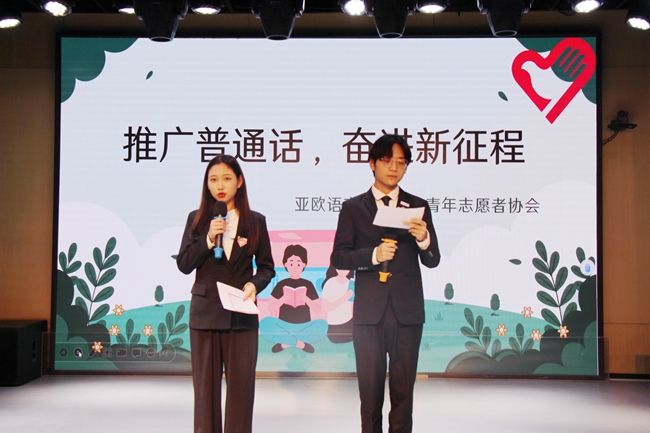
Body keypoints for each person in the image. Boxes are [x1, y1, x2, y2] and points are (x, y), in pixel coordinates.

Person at [331, 134, 440, 433]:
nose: (394, 167)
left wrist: (424, 238)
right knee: (370, 395)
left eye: (401, 162)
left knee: (404, 394)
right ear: (372, 164)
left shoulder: (418, 206)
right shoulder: (353, 208)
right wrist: (373, 255)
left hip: (407, 314)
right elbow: (339, 257)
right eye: (387, 160)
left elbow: (433, 259)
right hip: (369, 315)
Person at [177, 154, 275, 433]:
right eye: (213, 179)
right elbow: (184, 264)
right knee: (205, 394)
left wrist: (254, 285)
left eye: (227, 178)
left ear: (239, 181)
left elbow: (267, 267)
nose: (220, 185)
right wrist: (209, 239)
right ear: (206, 185)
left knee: (241, 392)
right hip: (205, 316)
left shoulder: (256, 221)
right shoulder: (197, 220)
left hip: (241, 317)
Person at [259, 244, 327, 353]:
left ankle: (285, 343)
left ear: (304, 264)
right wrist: (284, 298)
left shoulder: (308, 284)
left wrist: (305, 298)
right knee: (265, 323)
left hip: (304, 326)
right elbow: (271, 307)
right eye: (291, 263)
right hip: (284, 326)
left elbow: (317, 309)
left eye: (298, 263)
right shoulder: (281, 284)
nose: (295, 267)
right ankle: (300, 344)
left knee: (322, 325)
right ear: (285, 264)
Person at [321, 266, 354, 343]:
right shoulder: (330, 283)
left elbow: (352, 308)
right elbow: (326, 308)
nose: (343, 270)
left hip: (349, 322)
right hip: (334, 325)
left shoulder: (351, 284)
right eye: (340, 267)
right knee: (334, 337)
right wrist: (345, 297)